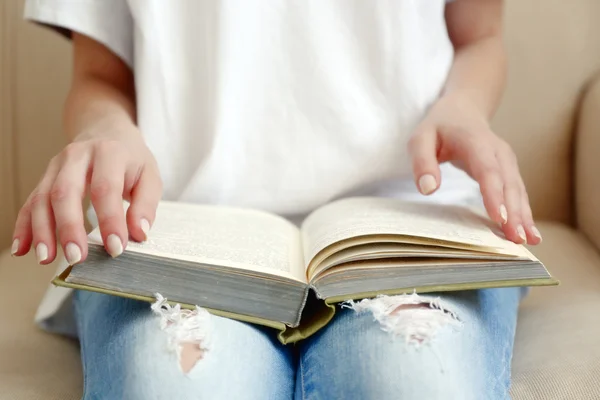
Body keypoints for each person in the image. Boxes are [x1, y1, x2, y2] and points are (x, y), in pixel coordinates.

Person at [13, 0, 541, 399]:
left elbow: (480, 35)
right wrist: (104, 129)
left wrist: (465, 108)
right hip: (171, 232)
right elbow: (99, 77)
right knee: (175, 382)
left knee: (412, 379)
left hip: (411, 221)